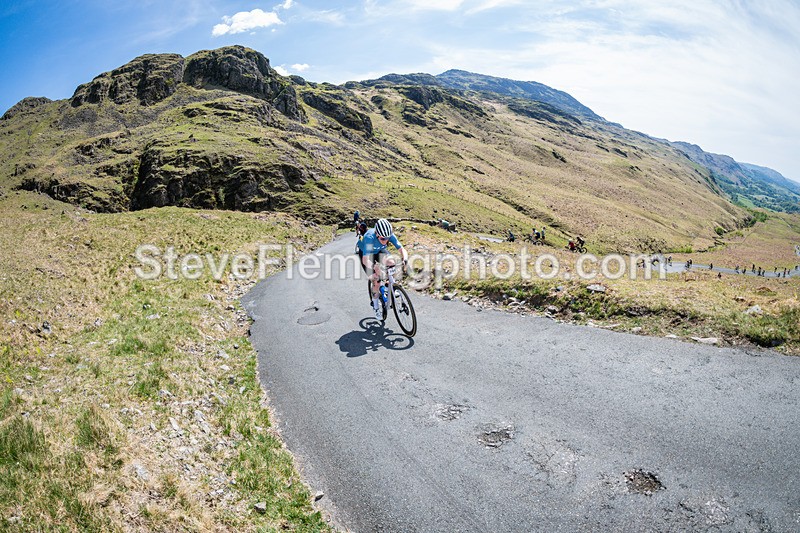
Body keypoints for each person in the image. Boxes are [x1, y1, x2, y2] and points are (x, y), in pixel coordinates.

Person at [357, 218, 408, 320]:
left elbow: (402, 249)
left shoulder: (387, 236)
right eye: (383, 239)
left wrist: (405, 260)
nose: (385, 241)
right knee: (376, 279)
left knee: (391, 263)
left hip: (379, 251)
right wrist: (373, 267)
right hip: (366, 254)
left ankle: (389, 285)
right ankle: (376, 306)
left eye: (387, 239)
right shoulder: (369, 238)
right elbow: (365, 260)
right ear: (376, 234)